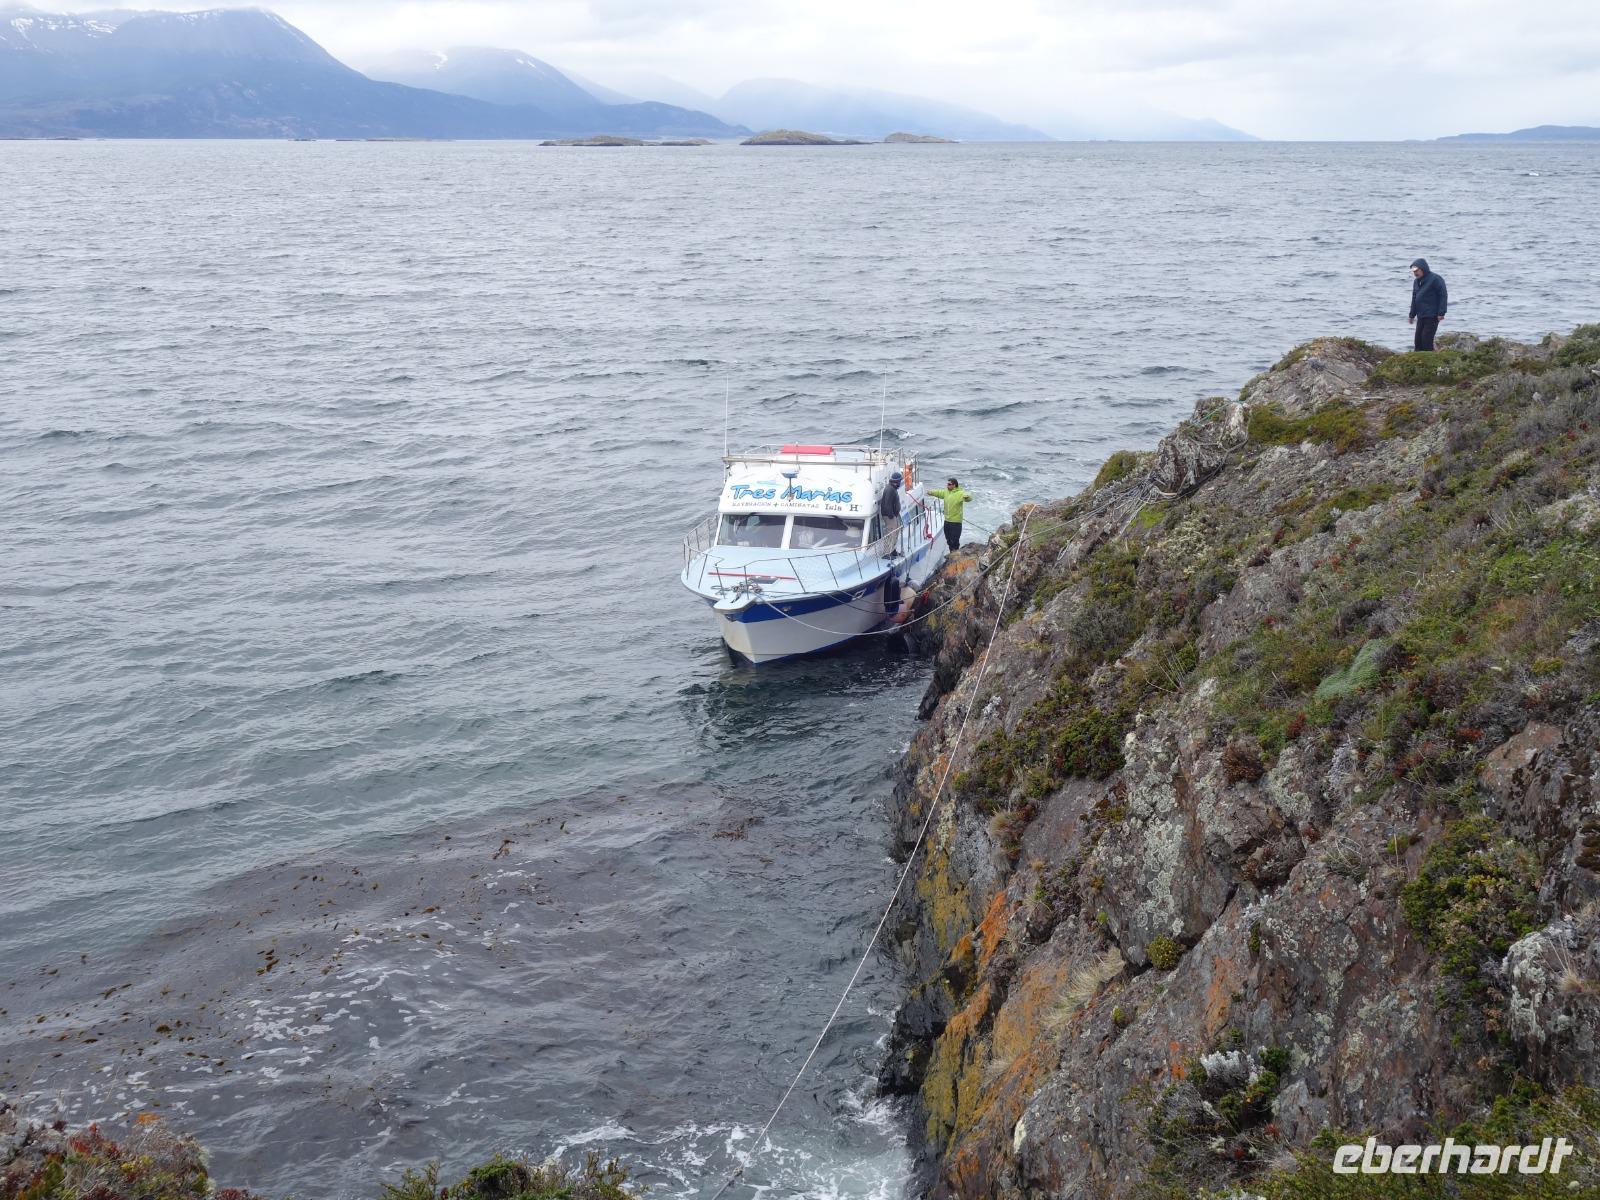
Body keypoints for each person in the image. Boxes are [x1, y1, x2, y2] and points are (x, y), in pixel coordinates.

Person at [1408, 259, 1448, 351]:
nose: (1415, 273)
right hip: (1421, 315)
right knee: (1418, 341)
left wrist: (1441, 312)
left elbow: (1443, 295)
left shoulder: (1435, 279)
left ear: (1423, 269)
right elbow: (1414, 299)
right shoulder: (1416, 282)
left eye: (1417, 271)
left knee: (1426, 340)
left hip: (1432, 315)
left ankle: (1430, 362)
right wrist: (1411, 315)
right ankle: (1418, 361)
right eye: (1413, 272)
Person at [926, 477, 973, 550]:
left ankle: (955, 555)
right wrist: (931, 492)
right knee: (948, 540)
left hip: (956, 522)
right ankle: (952, 554)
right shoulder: (946, 492)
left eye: (949, 484)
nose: (947, 486)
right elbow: (939, 492)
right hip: (947, 521)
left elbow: (969, 498)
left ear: (954, 485)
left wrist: (967, 496)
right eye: (947, 484)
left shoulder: (960, 493)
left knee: (954, 541)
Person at [879, 471, 903, 553]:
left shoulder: (892, 488)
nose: (900, 482)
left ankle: (892, 550)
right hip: (889, 516)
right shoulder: (890, 489)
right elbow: (887, 504)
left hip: (893, 516)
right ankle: (888, 552)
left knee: (895, 532)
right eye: (900, 481)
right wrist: (891, 515)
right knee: (891, 533)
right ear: (896, 481)